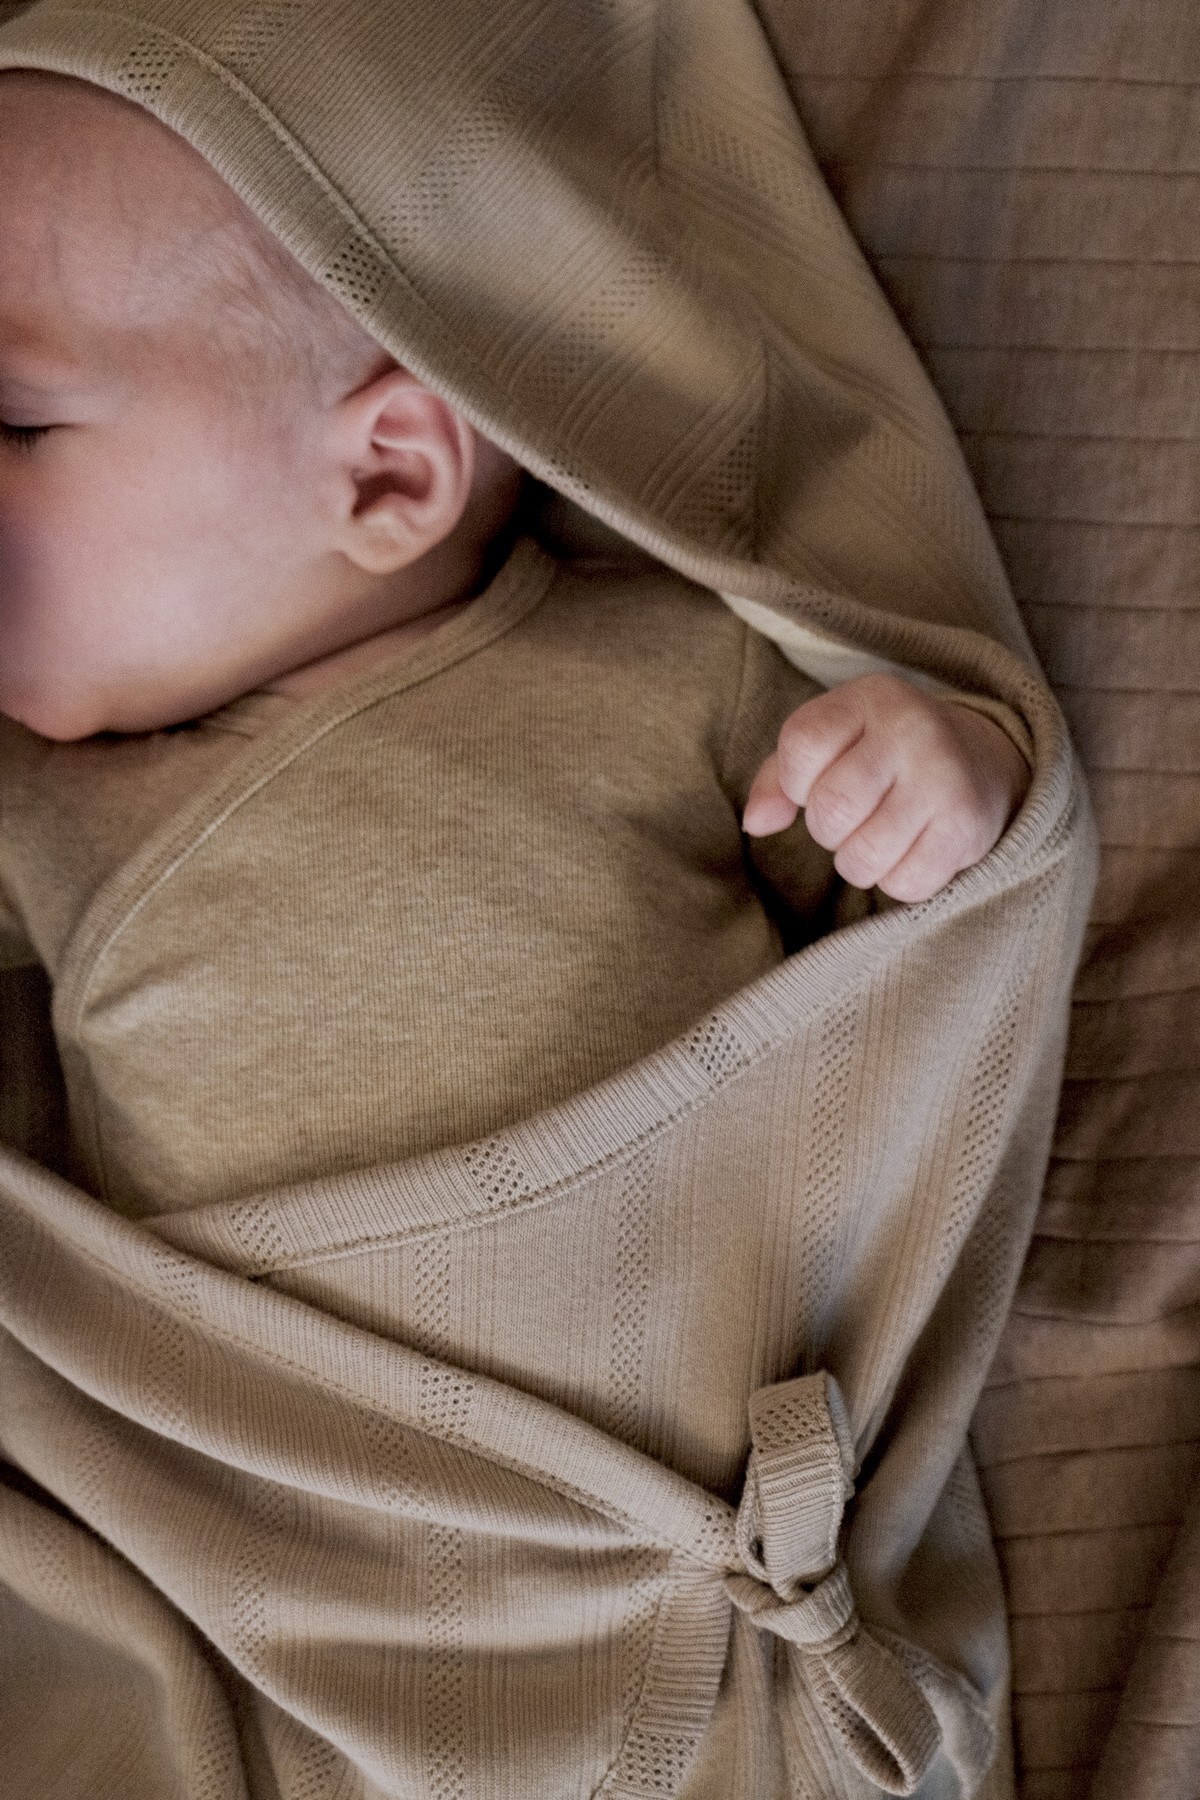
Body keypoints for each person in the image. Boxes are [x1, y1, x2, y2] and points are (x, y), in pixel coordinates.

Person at [0, 3, 1094, 1796]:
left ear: (387, 471)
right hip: (308, 1561)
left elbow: (909, 936)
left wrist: (935, 767)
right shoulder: (40, 798)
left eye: (15, 419)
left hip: (665, 1482)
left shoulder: (662, 671)